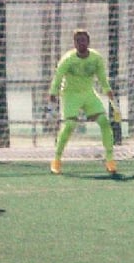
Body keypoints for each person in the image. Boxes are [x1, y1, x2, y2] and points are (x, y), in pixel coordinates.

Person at [48, 29, 117, 174]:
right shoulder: (68, 59)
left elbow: (102, 78)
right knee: (70, 125)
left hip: (88, 93)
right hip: (70, 94)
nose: (81, 43)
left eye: (83, 40)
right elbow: (58, 76)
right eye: (78, 40)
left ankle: (110, 160)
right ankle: (57, 159)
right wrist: (53, 93)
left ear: (88, 42)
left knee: (104, 121)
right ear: (74, 43)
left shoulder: (96, 58)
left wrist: (108, 91)